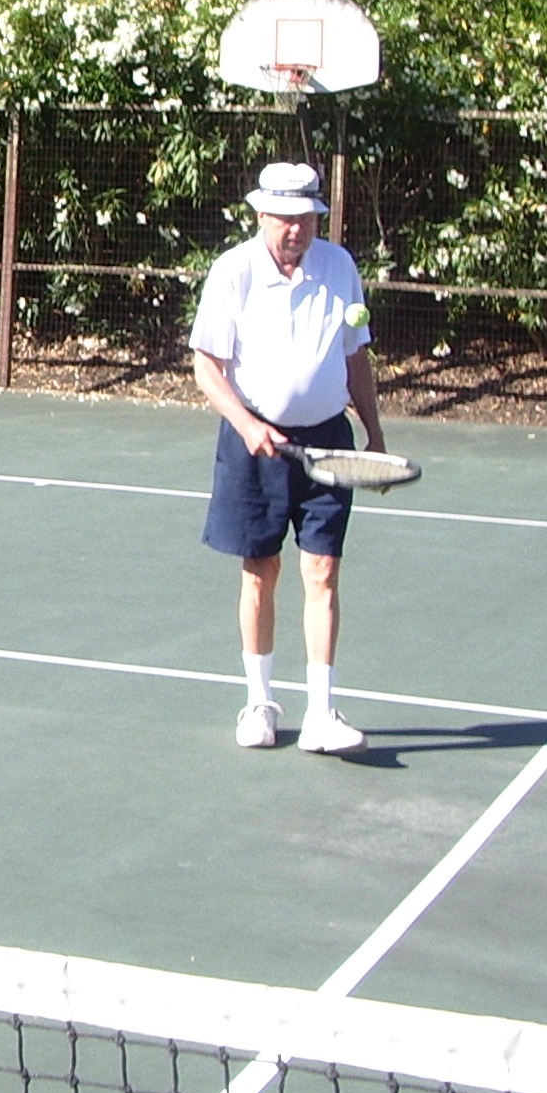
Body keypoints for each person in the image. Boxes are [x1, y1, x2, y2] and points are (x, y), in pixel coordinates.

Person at [189, 160, 384, 755]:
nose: (296, 230)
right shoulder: (234, 271)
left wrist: (373, 433)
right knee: (261, 572)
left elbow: (355, 359)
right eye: (284, 219)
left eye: (305, 219)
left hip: (327, 443)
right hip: (255, 446)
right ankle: (260, 703)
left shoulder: (340, 266)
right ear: (260, 216)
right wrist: (247, 425)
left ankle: (321, 714)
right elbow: (205, 366)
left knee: (322, 571)